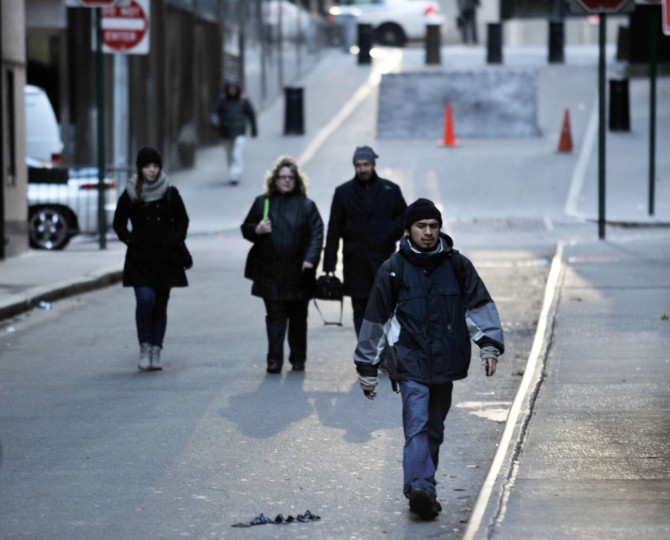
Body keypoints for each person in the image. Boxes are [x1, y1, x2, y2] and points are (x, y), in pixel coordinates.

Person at [353, 198, 504, 520]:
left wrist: (489, 346)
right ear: (408, 230)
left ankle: (424, 487)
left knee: (434, 429)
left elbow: (479, 307)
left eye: (433, 226)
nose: (428, 232)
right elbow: (375, 320)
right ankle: (420, 488)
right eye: (421, 226)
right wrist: (366, 366)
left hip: (446, 363)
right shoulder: (393, 268)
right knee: (418, 427)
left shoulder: (458, 265)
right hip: (410, 363)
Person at [241, 155, 324, 374]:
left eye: (290, 177)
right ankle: (274, 360)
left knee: (298, 319)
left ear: (297, 180)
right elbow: (246, 228)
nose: (286, 181)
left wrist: (310, 259)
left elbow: (317, 233)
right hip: (271, 272)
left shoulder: (306, 205)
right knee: (275, 318)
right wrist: (256, 230)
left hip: (299, 273)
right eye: (282, 177)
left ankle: (298, 359)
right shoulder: (263, 202)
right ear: (274, 180)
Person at [113, 146, 190, 372]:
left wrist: (174, 240)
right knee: (146, 300)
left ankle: (156, 350)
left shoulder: (170, 192)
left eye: (156, 166)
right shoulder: (131, 192)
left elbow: (183, 219)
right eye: (148, 166)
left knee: (161, 305)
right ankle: (144, 347)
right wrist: (131, 240)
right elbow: (118, 222)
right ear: (140, 167)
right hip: (140, 258)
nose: (152, 170)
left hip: (166, 258)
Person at [323, 146, 407, 337]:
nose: (362, 169)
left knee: (385, 308)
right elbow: (334, 228)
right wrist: (329, 264)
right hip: (355, 263)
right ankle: (366, 354)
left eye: (366, 164)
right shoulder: (343, 192)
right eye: (358, 165)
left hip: (383, 260)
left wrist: (389, 232)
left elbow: (404, 217)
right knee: (360, 309)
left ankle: (383, 353)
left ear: (373, 164)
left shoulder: (390, 190)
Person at [212, 78, 258, 186]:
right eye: (230, 88)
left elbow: (251, 114)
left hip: (239, 132)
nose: (232, 90)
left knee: (237, 153)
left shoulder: (243, 100)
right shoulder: (222, 100)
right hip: (226, 133)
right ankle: (232, 172)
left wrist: (254, 129)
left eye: (233, 88)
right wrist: (215, 122)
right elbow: (214, 113)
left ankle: (235, 175)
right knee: (229, 154)